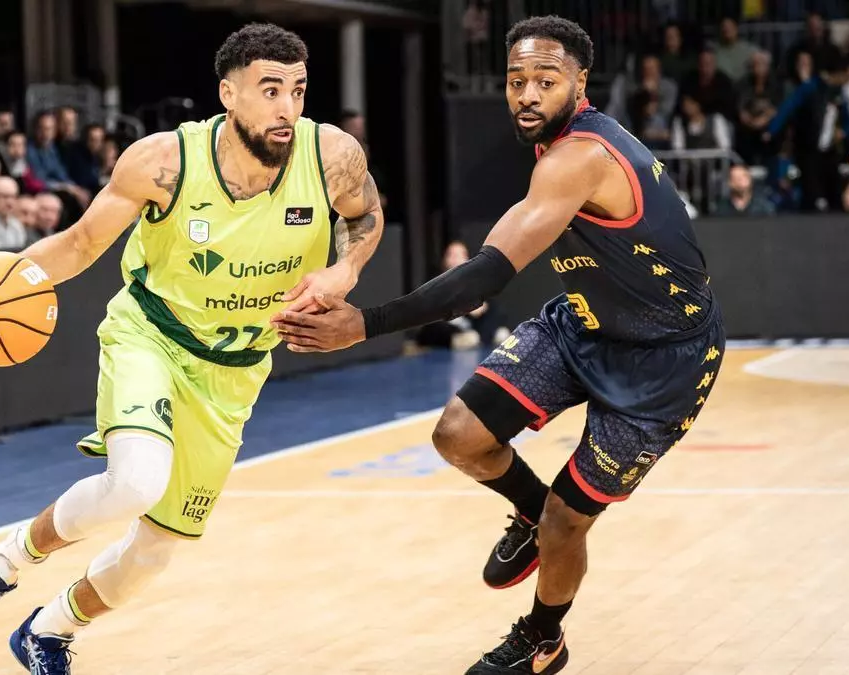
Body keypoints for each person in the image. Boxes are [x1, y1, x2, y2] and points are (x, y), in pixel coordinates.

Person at [0, 23, 384, 672]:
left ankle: (47, 631)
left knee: (156, 550)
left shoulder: (331, 155)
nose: (288, 107)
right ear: (229, 94)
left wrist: (345, 270)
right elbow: (79, 244)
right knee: (135, 482)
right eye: (270, 89)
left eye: (298, 90)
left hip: (235, 369)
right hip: (153, 337)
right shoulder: (165, 162)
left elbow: (365, 215)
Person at [271, 16, 725, 675]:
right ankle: (531, 510)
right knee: (458, 435)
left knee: (570, 521)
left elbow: (484, 276)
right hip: (585, 323)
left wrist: (363, 323)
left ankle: (543, 638)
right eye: (517, 81)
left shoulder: (581, 157)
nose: (528, 95)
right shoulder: (557, 146)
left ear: (581, 83)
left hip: (665, 359)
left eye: (546, 80)